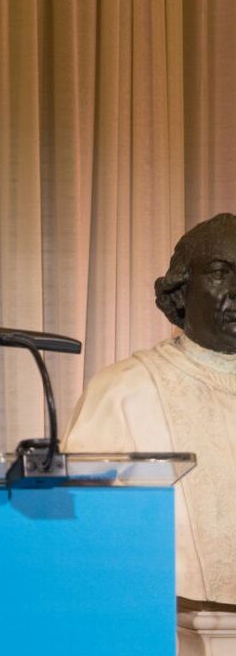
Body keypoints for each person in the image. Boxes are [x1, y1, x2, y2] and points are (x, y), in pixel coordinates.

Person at [64, 212, 236, 603]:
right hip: (169, 641)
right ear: (180, 291)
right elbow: (85, 534)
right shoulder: (123, 391)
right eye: (220, 272)